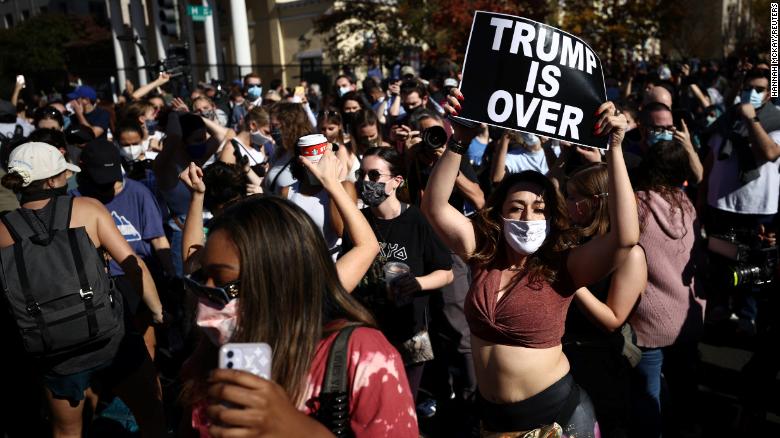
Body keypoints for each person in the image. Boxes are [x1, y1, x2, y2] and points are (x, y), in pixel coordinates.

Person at [423, 88, 639, 435]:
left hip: (555, 421)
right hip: (492, 423)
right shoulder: (483, 256)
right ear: (500, 214)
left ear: (553, 218)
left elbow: (625, 238)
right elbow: (435, 207)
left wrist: (614, 149)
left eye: (539, 209)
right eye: (516, 207)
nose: (527, 217)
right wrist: (458, 140)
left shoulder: (564, 267)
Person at [180, 152, 418, 437]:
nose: (207, 306)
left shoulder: (362, 355)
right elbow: (194, 259)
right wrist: (196, 199)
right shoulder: (208, 359)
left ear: (280, 282)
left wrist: (294, 428)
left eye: (225, 286)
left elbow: (367, 246)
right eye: (200, 285)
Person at [0, 142, 165, 438]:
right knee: (151, 414)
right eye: (64, 173)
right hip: (112, 335)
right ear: (52, 180)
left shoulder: (2, 229)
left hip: (53, 349)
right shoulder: (87, 209)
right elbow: (132, 265)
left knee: (67, 431)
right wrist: (156, 310)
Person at [340, 146, 454, 401]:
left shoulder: (416, 220)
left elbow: (446, 273)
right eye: (361, 174)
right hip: (369, 329)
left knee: (404, 401)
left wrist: (417, 283)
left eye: (374, 176)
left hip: (412, 332)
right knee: (371, 401)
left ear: (396, 181)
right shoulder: (358, 222)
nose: (365, 182)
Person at [562, 162, 647, 438]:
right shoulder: (577, 239)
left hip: (601, 363)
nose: (567, 203)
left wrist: (570, 281)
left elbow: (613, 319)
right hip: (568, 355)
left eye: (574, 198)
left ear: (594, 202)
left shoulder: (630, 255)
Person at [629, 140, 705, 438]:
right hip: (686, 315)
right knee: (686, 385)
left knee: (648, 396)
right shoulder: (686, 205)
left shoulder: (635, 206)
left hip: (649, 320)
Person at [263, 102, 312, 195]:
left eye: (275, 126)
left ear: (291, 126)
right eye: (271, 126)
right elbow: (266, 185)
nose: (271, 130)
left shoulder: (306, 156)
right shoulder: (280, 151)